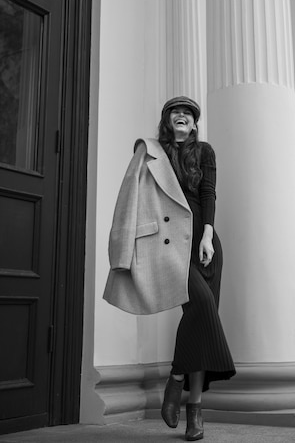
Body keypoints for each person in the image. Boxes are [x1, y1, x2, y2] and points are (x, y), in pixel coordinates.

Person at [103, 96, 235, 442]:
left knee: (200, 322)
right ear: (167, 122)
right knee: (203, 310)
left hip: (203, 244)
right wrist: (122, 249)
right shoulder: (150, 153)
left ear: (194, 125)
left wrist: (207, 234)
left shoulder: (204, 152)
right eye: (176, 112)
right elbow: (127, 200)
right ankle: (177, 380)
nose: (182, 116)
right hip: (167, 243)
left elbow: (209, 193)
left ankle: (194, 408)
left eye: (188, 114)